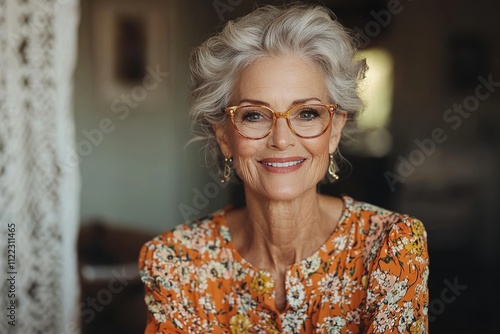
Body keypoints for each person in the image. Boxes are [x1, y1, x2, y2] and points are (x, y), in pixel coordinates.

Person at [138, 3, 429, 333]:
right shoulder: (174, 260)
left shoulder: (392, 247)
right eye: (253, 115)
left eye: (306, 114)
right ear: (224, 136)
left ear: (334, 131)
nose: (281, 139)